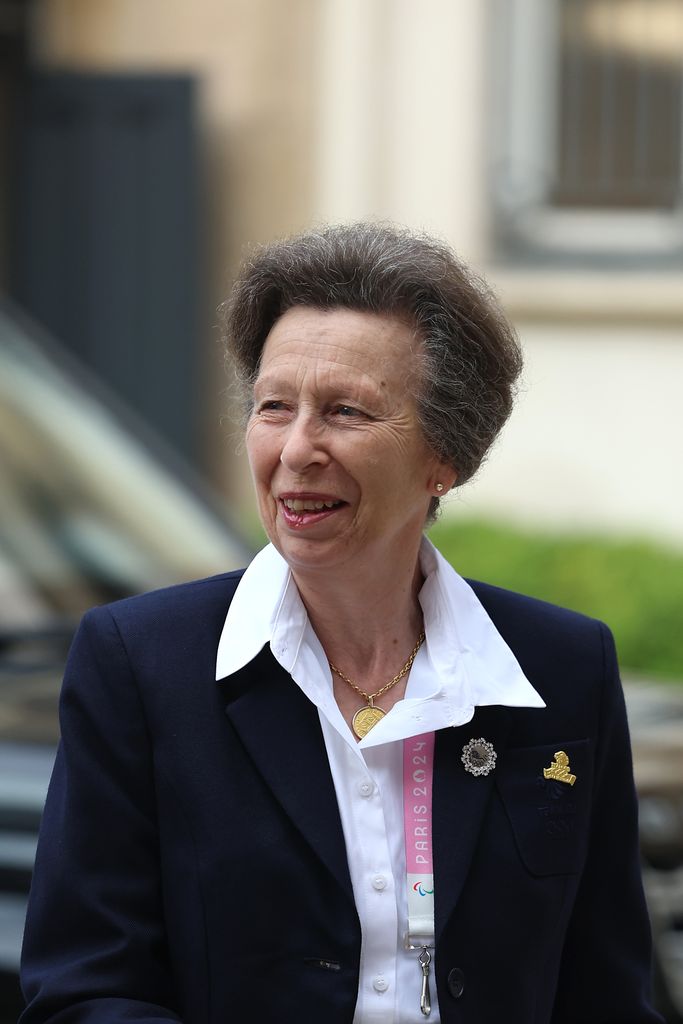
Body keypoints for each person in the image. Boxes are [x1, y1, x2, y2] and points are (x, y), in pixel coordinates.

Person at [20, 223, 662, 1024]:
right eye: (273, 407)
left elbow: (606, 990)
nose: (296, 448)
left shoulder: (562, 667)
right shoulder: (139, 664)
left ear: (444, 457)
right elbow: (84, 991)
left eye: (346, 412)